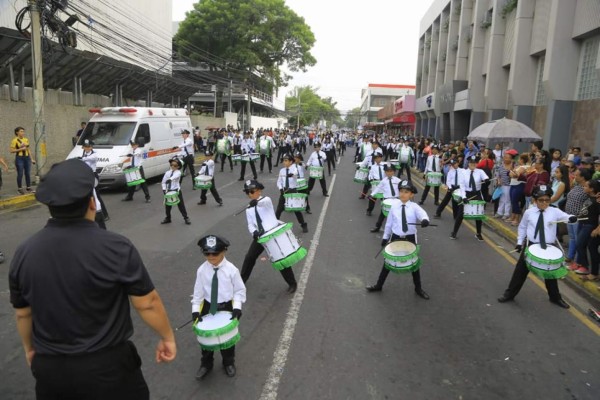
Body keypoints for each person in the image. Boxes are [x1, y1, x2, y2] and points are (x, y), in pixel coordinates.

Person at [9, 158, 176, 399]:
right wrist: (167, 337)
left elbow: (23, 313)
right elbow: (147, 302)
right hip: (108, 369)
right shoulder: (116, 247)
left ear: (50, 206)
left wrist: (29, 349)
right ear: (91, 203)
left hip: (51, 369)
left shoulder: (24, 252)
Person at [497, 185, 577, 309]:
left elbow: (565, 217)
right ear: (535, 200)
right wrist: (519, 242)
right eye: (541, 200)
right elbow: (522, 227)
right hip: (531, 246)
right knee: (520, 272)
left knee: (550, 273)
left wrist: (571, 218)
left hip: (548, 247)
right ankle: (509, 294)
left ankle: (555, 297)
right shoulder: (529, 212)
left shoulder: (554, 211)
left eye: (547, 200)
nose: (544, 203)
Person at [365, 180, 431, 300]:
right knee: (388, 262)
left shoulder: (414, 207)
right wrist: (385, 238)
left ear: (411, 195)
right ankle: (379, 285)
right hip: (395, 237)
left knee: (414, 264)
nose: (403, 194)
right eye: (401, 191)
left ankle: (418, 288)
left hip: (410, 238)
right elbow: (389, 223)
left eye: (406, 192)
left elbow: (422, 214)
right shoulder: (394, 206)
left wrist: (425, 220)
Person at [192, 235, 246, 379]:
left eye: (215, 253)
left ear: (224, 251)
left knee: (227, 339)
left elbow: (239, 290)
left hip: (227, 306)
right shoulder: (202, 270)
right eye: (206, 253)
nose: (211, 257)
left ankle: (228, 362)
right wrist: (196, 311)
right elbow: (197, 293)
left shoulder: (231, 270)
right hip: (208, 307)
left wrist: (237, 307)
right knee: (206, 339)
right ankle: (206, 364)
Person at [240, 180, 299, 292]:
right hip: (261, 237)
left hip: (272, 235)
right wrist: (254, 232)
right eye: (249, 192)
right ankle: (242, 280)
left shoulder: (266, 200)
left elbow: (262, 203)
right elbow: (250, 224)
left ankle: (292, 283)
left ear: (259, 191)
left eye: (254, 191)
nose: (251, 194)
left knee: (280, 258)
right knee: (250, 257)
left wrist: (256, 202)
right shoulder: (249, 209)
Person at [450, 155, 489, 241]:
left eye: (474, 162)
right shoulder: (463, 172)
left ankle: (478, 233)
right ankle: (454, 232)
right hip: (466, 194)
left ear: (477, 163)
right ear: (468, 163)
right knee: (460, 214)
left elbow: (486, 177)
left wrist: (486, 180)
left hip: (477, 194)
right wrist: (463, 197)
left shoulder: (480, 171)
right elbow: (462, 186)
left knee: (478, 215)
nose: (473, 164)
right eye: (471, 162)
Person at [275, 154, 308, 233]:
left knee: (296, 209)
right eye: (284, 160)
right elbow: (279, 181)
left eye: (286, 161)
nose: (284, 162)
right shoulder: (282, 170)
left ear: (291, 162)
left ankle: (303, 224)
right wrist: (280, 189)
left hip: (292, 191)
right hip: (284, 191)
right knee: (279, 209)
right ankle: (274, 225)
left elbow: (296, 175)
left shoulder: (294, 168)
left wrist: (292, 175)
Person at [369, 164, 401, 232]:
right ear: (385, 172)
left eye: (391, 171)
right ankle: (377, 227)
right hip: (386, 200)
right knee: (382, 214)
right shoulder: (383, 181)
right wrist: (372, 194)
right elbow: (378, 188)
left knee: (397, 215)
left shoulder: (398, 180)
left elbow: (402, 188)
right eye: (387, 171)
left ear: (394, 171)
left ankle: (398, 229)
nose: (389, 173)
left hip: (396, 200)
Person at [161, 158, 191, 225]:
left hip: (176, 191)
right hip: (168, 191)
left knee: (181, 205)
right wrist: (164, 189)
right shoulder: (167, 173)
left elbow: (175, 176)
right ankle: (168, 218)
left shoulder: (178, 172)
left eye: (175, 165)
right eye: (171, 164)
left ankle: (186, 218)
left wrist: (170, 179)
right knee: (167, 206)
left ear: (178, 167)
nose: (172, 166)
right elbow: (163, 182)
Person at [122, 138, 151, 203]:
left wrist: (132, 155)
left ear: (137, 145)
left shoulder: (139, 150)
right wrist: (128, 166)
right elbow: (131, 160)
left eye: (134, 145)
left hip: (138, 168)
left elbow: (138, 154)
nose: (133, 146)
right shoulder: (132, 150)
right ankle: (130, 196)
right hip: (133, 167)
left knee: (142, 182)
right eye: (132, 145)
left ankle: (148, 197)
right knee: (133, 182)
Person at [10, 126, 36, 194]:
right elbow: (11, 150)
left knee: (27, 173)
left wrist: (32, 159)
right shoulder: (14, 140)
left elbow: (28, 149)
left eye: (23, 131)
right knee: (20, 173)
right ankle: (20, 188)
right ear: (17, 132)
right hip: (19, 158)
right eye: (21, 131)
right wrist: (20, 149)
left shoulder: (26, 139)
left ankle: (28, 187)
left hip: (27, 158)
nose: (23, 133)